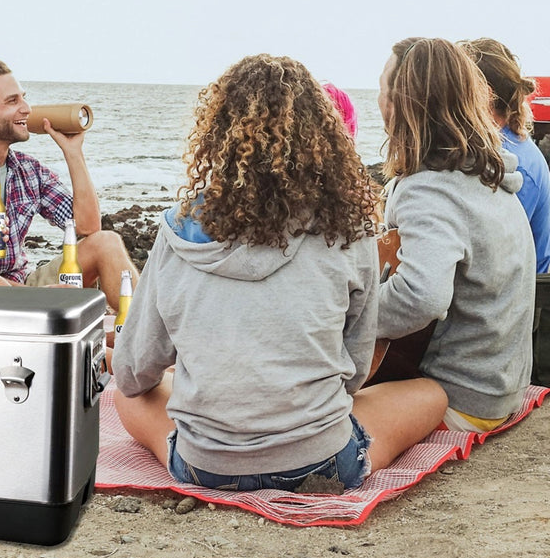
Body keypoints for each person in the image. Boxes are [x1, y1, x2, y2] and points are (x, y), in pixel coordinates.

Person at [111, 54, 447, 492]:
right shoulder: (351, 228)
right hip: (322, 462)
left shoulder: (177, 231)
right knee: (433, 394)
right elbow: (355, 371)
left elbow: (135, 371)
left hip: (206, 466)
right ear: (322, 134)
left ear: (217, 134)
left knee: (125, 395)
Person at [377, 38, 535, 433]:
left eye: (381, 88)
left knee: (312, 424)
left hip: (458, 396)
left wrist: (346, 315)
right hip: (500, 387)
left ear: (400, 103)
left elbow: (422, 296)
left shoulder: (428, 189)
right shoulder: (489, 176)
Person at [0, 59, 138, 309]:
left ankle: (143, 338)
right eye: (13, 101)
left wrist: (73, 152)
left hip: (23, 283)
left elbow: (88, 227)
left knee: (106, 242)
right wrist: (38, 298)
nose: (26, 108)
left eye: (24, 98)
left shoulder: (28, 169)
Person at [458, 38, 550, 273]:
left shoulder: (515, 164)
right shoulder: (505, 144)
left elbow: (494, 254)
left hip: (524, 294)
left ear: (483, 95)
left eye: (456, 88)